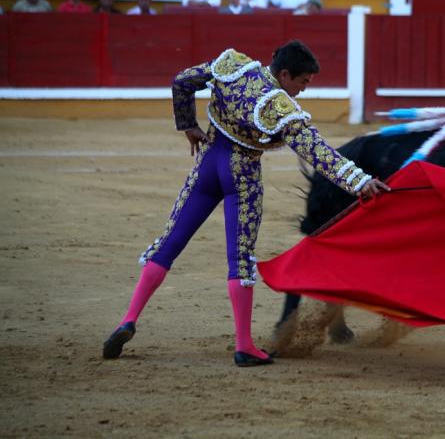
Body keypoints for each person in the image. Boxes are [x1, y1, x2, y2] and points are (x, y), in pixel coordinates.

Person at [101, 41, 390, 367]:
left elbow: (182, 80)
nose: (302, 91)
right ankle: (244, 346)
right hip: (241, 176)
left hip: (207, 165)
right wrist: (360, 181)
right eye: (302, 83)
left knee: (169, 242)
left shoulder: (235, 66)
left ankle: (128, 319)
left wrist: (188, 125)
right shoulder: (281, 108)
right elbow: (318, 152)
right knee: (240, 259)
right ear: (284, 74)